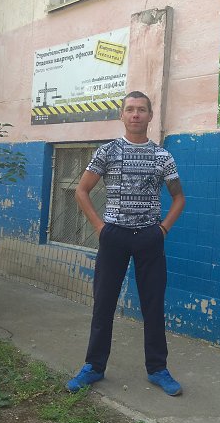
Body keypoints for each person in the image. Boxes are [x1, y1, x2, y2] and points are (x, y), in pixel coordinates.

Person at [66, 90, 186, 396]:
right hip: (114, 237)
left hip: (149, 238)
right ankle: (94, 366)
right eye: (130, 109)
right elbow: (81, 191)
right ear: (122, 115)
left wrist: (163, 230)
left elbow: (179, 198)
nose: (135, 114)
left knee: (153, 305)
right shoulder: (107, 152)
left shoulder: (162, 157)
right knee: (103, 303)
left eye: (141, 109)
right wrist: (100, 228)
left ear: (150, 115)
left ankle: (157, 368)